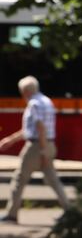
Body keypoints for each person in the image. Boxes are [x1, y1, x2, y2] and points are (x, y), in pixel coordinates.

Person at [0, 76, 69, 223]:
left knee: (19, 179)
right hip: (49, 144)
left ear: (25, 91)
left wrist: (42, 151)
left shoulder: (34, 104)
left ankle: (12, 214)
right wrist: (10, 140)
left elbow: (40, 129)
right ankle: (70, 211)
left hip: (37, 147)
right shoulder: (46, 101)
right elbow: (31, 130)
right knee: (53, 180)